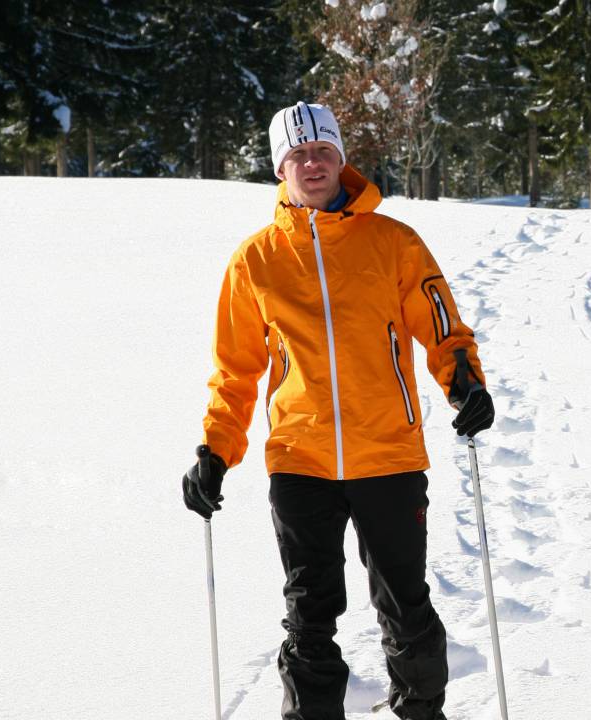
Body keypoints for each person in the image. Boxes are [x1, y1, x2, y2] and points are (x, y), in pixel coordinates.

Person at [181, 101, 494, 720]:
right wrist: (216, 452)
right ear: (280, 169)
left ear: (341, 159)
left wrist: (464, 383)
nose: (312, 163)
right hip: (301, 461)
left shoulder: (394, 242)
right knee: (309, 615)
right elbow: (237, 370)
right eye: (297, 154)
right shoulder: (256, 261)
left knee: (405, 605)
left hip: (388, 453)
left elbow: (442, 330)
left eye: (322, 151)